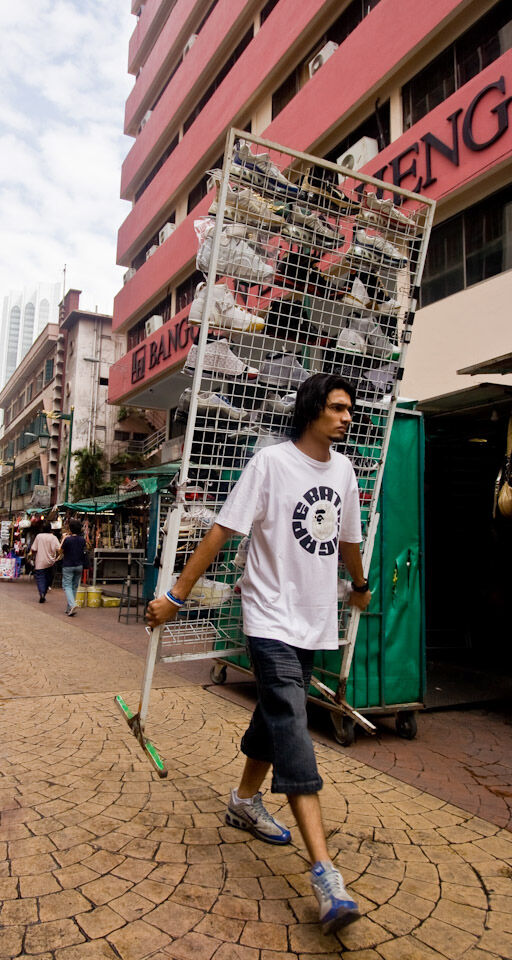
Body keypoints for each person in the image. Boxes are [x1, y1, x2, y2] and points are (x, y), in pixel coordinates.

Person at [146, 374, 372, 936]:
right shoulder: (270, 464)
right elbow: (221, 532)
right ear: (312, 409)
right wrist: (176, 597)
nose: (347, 417)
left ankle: (244, 800)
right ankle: (325, 875)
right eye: (338, 408)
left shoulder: (344, 472)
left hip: (315, 622)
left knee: (273, 717)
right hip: (269, 618)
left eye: (349, 409)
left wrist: (360, 584)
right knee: (292, 724)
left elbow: (348, 539)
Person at [60, 518, 86, 615]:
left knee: (67, 586)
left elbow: (60, 551)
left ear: (70, 528)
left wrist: (63, 538)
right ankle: (69, 608)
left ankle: (72, 604)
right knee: (74, 587)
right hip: (79, 566)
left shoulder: (67, 539)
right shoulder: (82, 540)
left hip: (68, 565)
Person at [30, 522, 60, 603]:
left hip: (40, 562)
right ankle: (44, 592)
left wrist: (32, 557)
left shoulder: (39, 536)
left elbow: (34, 549)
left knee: (40, 578)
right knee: (48, 579)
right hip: (51, 562)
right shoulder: (53, 537)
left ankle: (42, 593)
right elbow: (59, 549)